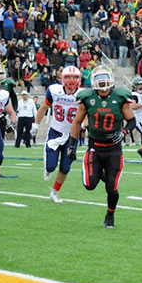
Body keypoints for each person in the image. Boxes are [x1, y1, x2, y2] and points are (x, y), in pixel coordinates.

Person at [67, 65, 136, 228]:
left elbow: (132, 120)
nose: (103, 82)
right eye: (99, 79)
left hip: (114, 149)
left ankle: (110, 215)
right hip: (95, 147)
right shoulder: (87, 97)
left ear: (111, 80)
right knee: (89, 185)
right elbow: (77, 122)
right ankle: (103, 174)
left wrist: (124, 132)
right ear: (93, 81)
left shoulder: (120, 97)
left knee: (112, 189)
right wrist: (72, 145)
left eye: (105, 78)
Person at [33, 66, 82, 203]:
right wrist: (36, 124)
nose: (72, 80)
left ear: (79, 79)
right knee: (50, 166)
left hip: (72, 135)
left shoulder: (83, 94)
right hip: (55, 131)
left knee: (65, 167)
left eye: (74, 77)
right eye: (69, 77)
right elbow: (43, 107)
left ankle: (55, 191)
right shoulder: (54, 90)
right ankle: (47, 169)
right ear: (63, 78)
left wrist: (84, 125)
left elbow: (86, 113)